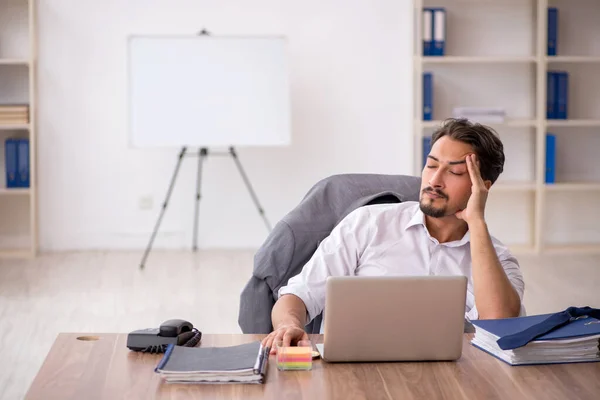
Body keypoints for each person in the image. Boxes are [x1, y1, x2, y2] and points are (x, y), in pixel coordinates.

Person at [262, 118, 525, 352]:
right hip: (353, 375)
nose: (435, 180)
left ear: (482, 187)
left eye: (454, 172)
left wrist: (476, 222)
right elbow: (297, 295)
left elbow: (499, 325)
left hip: (448, 381)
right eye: (431, 166)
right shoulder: (368, 223)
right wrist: (288, 325)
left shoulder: (498, 260)